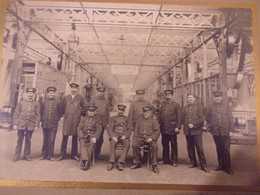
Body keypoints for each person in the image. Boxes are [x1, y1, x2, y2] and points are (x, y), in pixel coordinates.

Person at [205, 91, 234, 175]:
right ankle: (221, 165)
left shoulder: (226, 106)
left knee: (226, 149)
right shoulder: (210, 107)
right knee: (219, 148)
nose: (217, 98)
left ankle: (228, 167)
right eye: (216, 97)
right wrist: (213, 124)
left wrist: (231, 130)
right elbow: (207, 117)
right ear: (214, 98)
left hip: (225, 131)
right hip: (216, 131)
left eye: (219, 97)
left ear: (221, 98)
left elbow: (230, 118)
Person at [57, 83, 85, 161]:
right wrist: (63, 116)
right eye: (72, 88)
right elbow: (62, 108)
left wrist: (80, 114)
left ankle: (74, 154)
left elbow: (85, 107)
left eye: (75, 88)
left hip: (76, 120)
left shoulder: (80, 98)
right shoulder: (66, 98)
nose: (73, 90)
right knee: (65, 137)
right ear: (70, 89)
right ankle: (62, 154)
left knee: (75, 137)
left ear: (77, 89)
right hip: (67, 119)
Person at [182, 93, 209, 172]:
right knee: (190, 148)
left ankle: (203, 165)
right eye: (188, 97)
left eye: (191, 97)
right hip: (187, 131)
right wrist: (186, 124)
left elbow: (201, 119)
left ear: (194, 99)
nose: (190, 99)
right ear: (187, 99)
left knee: (199, 148)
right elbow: (182, 119)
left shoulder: (199, 108)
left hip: (196, 131)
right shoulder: (184, 108)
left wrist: (194, 125)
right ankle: (193, 162)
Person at [12, 87, 40, 162]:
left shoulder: (36, 103)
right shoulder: (21, 102)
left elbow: (38, 115)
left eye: (31, 93)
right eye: (28, 93)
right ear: (26, 94)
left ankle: (26, 156)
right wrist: (15, 124)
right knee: (19, 140)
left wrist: (36, 125)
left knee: (28, 140)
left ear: (34, 94)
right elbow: (16, 114)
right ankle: (17, 156)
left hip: (30, 125)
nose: (30, 94)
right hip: (21, 124)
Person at [130, 106, 160, 174]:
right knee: (134, 145)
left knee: (154, 146)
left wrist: (151, 138)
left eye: (148, 112)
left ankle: (154, 165)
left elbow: (157, 131)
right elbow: (136, 131)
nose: (146, 113)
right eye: (145, 112)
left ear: (151, 113)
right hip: (140, 138)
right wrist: (135, 139)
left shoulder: (154, 121)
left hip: (150, 139)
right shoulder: (139, 120)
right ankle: (137, 162)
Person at [159, 89, 181, 167]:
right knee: (164, 144)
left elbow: (179, 117)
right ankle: (165, 159)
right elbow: (159, 115)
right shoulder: (163, 104)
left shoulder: (176, 105)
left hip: (172, 128)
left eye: (169, 95)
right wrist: (158, 125)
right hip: (164, 128)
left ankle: (174, 160)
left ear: (172, 96)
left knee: (173, 144)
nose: (167, 96)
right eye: (166, 95)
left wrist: (178, 127)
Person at [40, 86, 63, 161]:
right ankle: (44, 155)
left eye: (52, 93)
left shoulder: (58, 102)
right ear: (47, 94)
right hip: (45, 123)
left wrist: (56, 119)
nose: (51, 94)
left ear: (54, 94)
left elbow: (60, 112)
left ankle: (50, 155)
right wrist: (42, 121)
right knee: (45, 139)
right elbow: (41, 111)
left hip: (53, 124)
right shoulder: (43, 102)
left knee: (52, 139)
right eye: (49, 93)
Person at [107, 104, 132, 171]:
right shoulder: (112, 118)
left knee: (127, 144)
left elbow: (129, 129)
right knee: (112, 143)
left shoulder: (127, 119)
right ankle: (111, 162)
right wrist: (113, 136)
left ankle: (120, 162)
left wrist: (125, 136)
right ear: (117, 110)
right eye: (119, 110)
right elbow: (110, 129)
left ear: (124, 111)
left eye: (122, 110)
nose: (120, 111)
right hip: (115, 136)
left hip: (124, 136)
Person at [77, 105, 102, 170]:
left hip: (92, 136)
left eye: (92, 111)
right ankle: (86, 161)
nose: (91, 112)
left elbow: (99, 129)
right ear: (87, 111)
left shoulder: (97, 120)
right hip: (84, 136)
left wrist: (95, 137)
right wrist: (81, 136)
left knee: (91, 144)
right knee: (82, 144)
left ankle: (85, 161)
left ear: (95, 112)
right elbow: (79, 128)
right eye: (89, 111)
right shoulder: (83, 119)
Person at [89, 86, 110, 160]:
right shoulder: (93, 100)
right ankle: (91, 154)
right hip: (94, 122)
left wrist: (108, 123)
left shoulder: (106, 101)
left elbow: (108, 112)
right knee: (94, 138)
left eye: (103, 92)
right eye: (100, 92)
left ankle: (97, 154)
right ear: (97, 92)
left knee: (100, 139)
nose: (101, 93)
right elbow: (89, 111)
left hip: (103, 123)